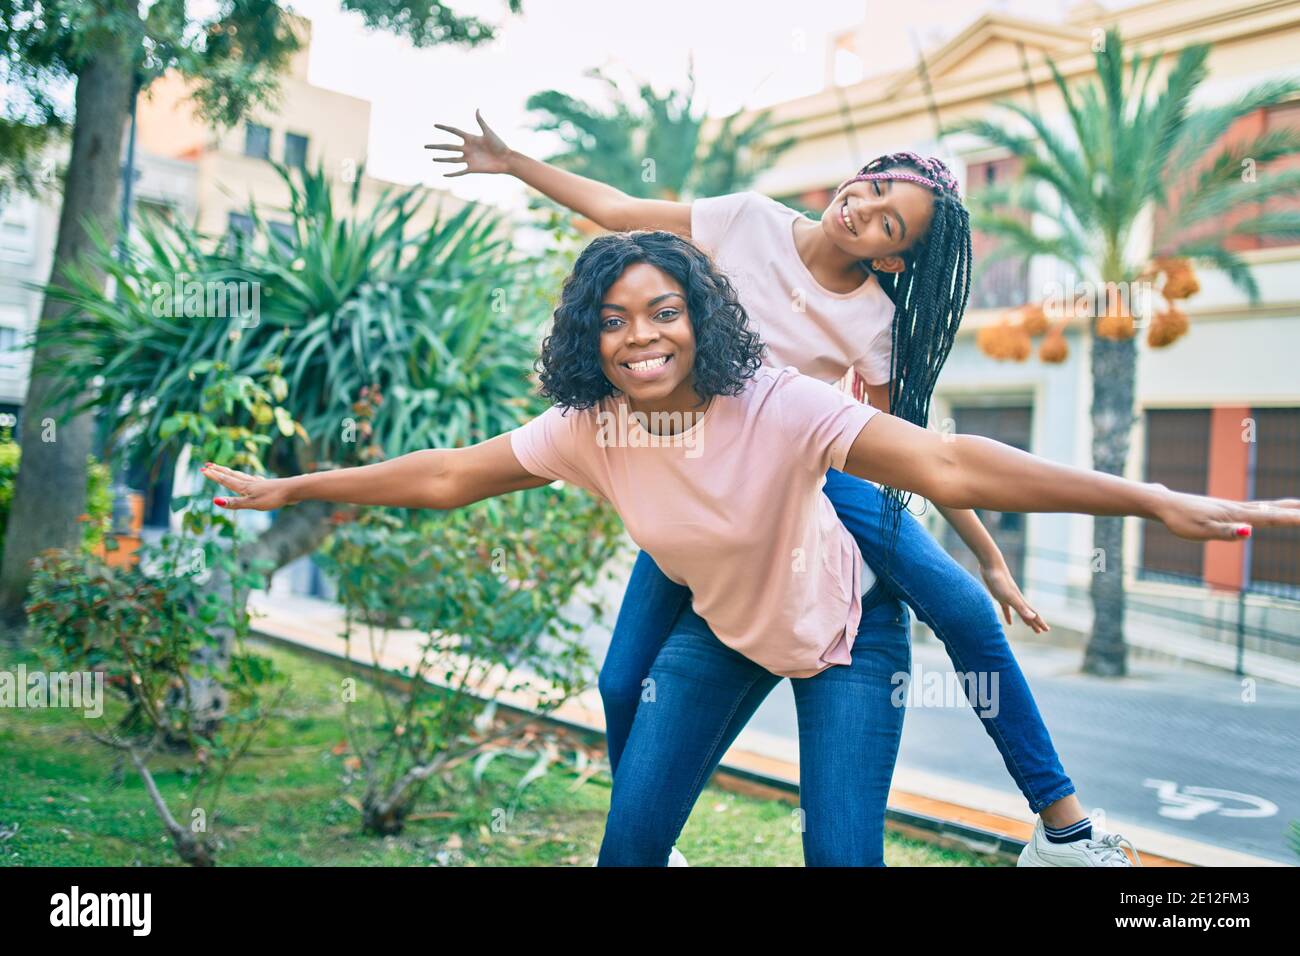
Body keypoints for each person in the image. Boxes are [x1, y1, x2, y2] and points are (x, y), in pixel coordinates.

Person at [201, 231, 1296, 866]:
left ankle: (1066, 829)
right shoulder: (588, 427)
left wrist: (1149, 498)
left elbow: (953, 465)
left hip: (843, 638)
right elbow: (445, 474)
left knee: (838, 858)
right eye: (615, 319)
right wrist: (301, 483)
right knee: (626, 851)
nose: (640, 336)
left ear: (699, 315)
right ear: (590, 336)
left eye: (662, 310)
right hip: (722, 632)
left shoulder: (776, 400)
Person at [427, 112, 1115, 864]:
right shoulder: (748, 220)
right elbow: (621, 212)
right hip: (694, 475)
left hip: (803, 463)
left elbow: (919, 459)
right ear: (859, 173)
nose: (864, 211)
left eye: (890, 225)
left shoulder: (875, 320)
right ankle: (647, 842)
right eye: (875, 189)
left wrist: (985, 553)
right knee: (623, 680)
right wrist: (514, 161)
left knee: (962, 610)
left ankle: (1065, 829)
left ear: (894, 260)